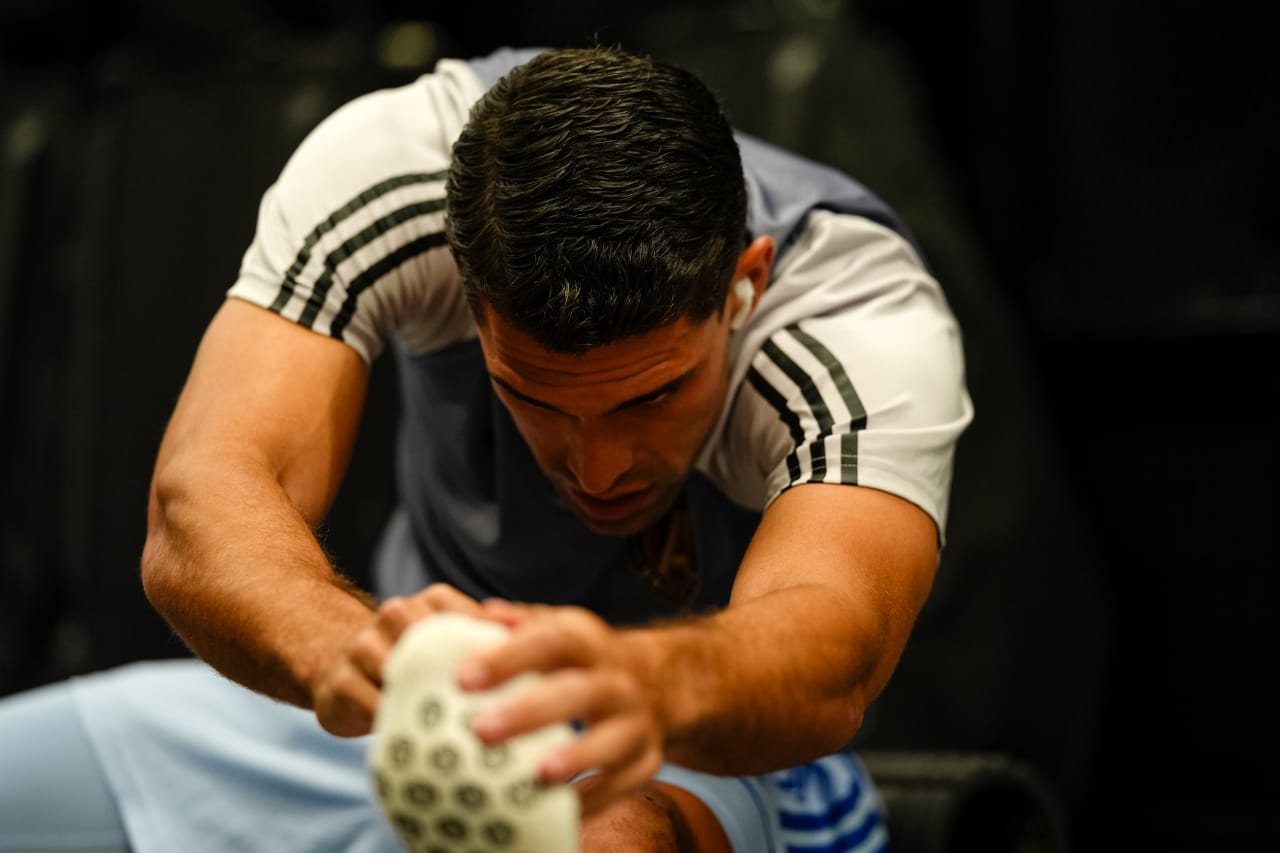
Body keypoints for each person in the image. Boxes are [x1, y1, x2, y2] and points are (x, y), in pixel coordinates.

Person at [0, 45, 972, 852]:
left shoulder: (857, 318)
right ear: (460, 289)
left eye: (654, 395)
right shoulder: (392, 171)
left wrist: (641, 680)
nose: (595, 468)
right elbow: (202, 497)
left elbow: (835, 640)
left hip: (677, 744)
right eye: (534, 397)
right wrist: (345, 647)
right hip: (405, 717)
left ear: (742, 283)